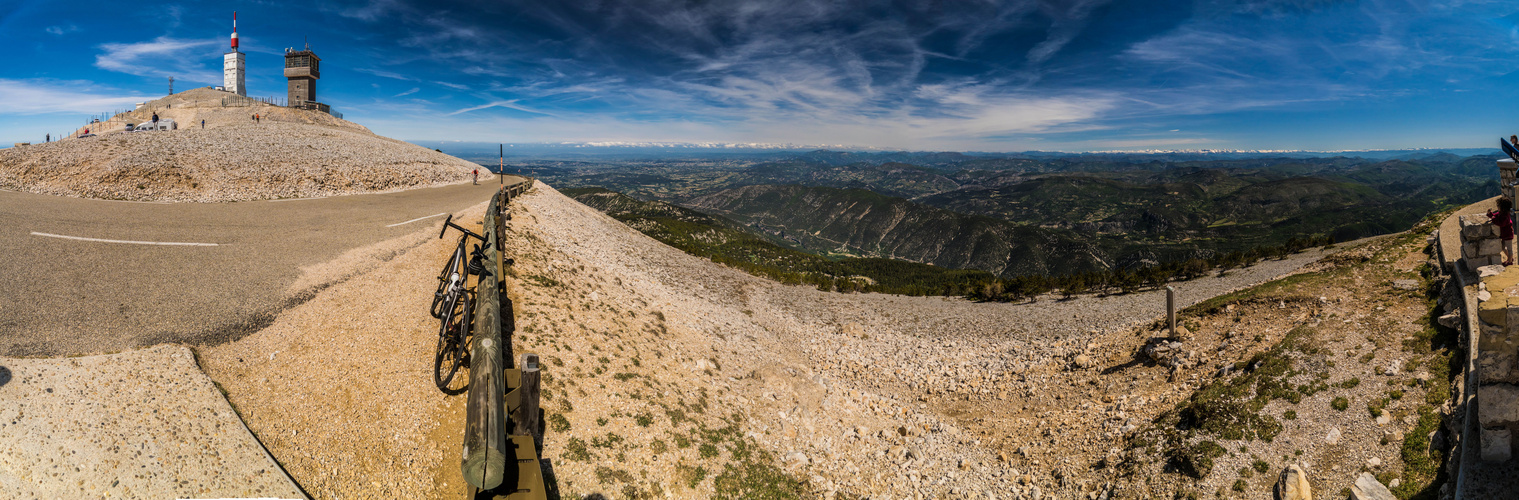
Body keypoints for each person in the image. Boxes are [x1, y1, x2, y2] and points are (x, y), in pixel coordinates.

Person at [1492, 197, 1516, 266]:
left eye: (1498, 205)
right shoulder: (1502, 213)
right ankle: (1510, 258)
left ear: (1502, 208)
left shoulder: (1505, 216)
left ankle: (1510, 261)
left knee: (1509, 249)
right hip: (1504, 234)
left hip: (1508, 235)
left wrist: (1493, 220)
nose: (1497, 207)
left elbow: (1501, 223)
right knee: (1502, 247)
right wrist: (1491, 215)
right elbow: (1496, 215)